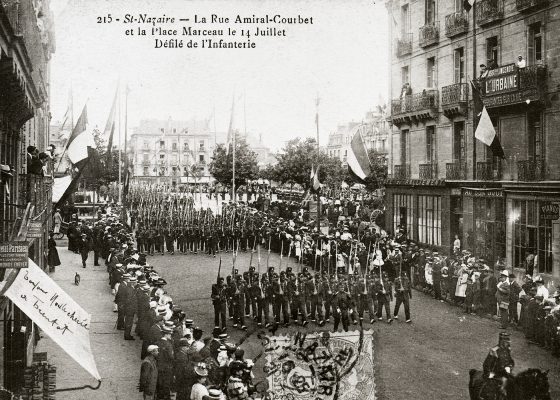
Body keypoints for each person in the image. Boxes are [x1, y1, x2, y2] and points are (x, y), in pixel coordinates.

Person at [482, 332, 515, 398]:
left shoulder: (508, 350)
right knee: (490, 393)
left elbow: (511, 362)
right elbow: (486, 364)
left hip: (505, 373)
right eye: (506, 341)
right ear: (502, 341)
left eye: (508, 341)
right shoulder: (494, 350)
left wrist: (509, 367)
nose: (508, 343)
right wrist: (489, 374)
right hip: (495, 374)